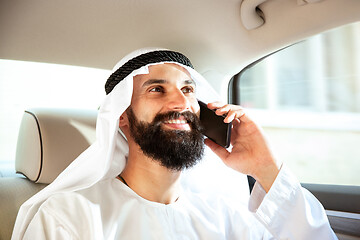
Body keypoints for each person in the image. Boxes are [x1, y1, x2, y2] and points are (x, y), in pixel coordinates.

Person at [12, 48, 337, 239]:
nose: (179, 102)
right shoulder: (69, 218)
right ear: (122, 116)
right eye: (156, 89)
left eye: (187, 89)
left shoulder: (228, 220)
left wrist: (267, 169)